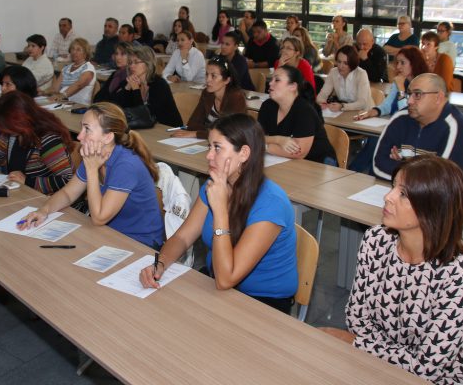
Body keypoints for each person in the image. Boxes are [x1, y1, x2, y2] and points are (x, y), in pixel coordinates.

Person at [340, 155, 463, 384]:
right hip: (380, 362)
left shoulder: (460, 276)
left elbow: (426, 369)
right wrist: (380, 353)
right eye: (393, 187)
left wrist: (359, 345)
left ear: (434, 208)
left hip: (448, 378)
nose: (388, 197)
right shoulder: (376, 240)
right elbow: (357, 319)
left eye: (403, 194)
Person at [139, 113, 298, 313]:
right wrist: (160, 264)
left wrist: (221, 210)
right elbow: (182, 237)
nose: (208, 155)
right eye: (209, 146)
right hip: (215, 284)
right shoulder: (215, 185)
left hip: (263, 303)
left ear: (244, 154)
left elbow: (226, 279)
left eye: (217, 147)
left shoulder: (271, 204)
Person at [0, 90, 76, 307]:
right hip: (19, 198)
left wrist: (28, 180)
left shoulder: (48, 140)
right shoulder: (12, 135)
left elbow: (67, 181)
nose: (3, 132)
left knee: (10, 233)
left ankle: (15, 288)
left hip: (48, 203)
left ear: (21, 120)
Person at [19, 102, 164, 248]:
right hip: (109, 233)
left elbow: (99, 218)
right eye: (82, 127)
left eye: (87, 129)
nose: (80, 136)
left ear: (107, 137)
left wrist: (91, 169)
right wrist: (44, 210)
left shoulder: (126, 165)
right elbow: (68, 194)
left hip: (140, 243)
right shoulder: (95, 156)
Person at [372, 73, 463, 205]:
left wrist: (403, 165)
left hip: (458, 206)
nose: (409, 101)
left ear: (438, 97)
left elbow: (441, 183)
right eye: (409, 94)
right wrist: (417, 172)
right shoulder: (401, 118)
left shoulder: (457, 127)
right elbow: (378, 165)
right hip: (412, 197)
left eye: (417, 94)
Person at [350, 46, 429, 173]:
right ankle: (360, 172)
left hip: (411, 129)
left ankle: (357, 172)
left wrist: (401, 89)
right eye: (397, 62)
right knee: (374, 139)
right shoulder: (399, 82)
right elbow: (386, 106)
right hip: (394, 125)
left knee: (377, 142)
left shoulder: (422, 86)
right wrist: (371, 112)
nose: (398, 67)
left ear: (414, 63)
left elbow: (407, 113)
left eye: (403, 63)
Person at [259, 65, 336, 164]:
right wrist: (278, 140)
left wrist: (263, 146)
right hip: (284, 161)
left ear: (293, 86)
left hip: (318, 163)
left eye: (277, 80)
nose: (270, 83)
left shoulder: (304, 111)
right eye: (272, 79)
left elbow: (299, 152)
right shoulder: (268, 105)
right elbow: (256, 136)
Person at [172, 56, 247, 139]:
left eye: (213, 76)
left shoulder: (236, 98)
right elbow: (193, 124)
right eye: (207, 74)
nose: (208, 80)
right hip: (207, 142)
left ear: (227, 80)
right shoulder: (207, 93)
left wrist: (197, 134)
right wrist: (200, 132)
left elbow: (227, 132)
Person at [113, 45, 182, 128]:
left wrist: (136, 90)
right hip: (148, 129)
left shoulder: (159, 85)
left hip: (168, 129)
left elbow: (145, 116)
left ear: (147, 63)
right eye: (130, 63)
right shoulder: (130, 81)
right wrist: (127, 88)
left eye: (136, 62)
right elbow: (115, 107)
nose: (131, 66)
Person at [316, 45, 373, 113]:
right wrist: (323, 103)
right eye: (339, 62)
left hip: (365, 113)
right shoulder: (333, 72)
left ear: (352, 63)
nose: (340, 66)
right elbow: (322, 95)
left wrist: (342, 106)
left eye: (345, 63)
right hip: (344, 113)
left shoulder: (361, 74)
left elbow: (362, 103)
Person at [50, 38, 96, 104]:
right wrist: (43, 92)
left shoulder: (88, 68)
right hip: (63, 102)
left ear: (85, 53)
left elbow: (79, 85)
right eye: (72, 49)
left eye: (78, 50)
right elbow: (55, 89)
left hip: (78, 106)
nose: (74, 52)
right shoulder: (66, 68)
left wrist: (62, 95)